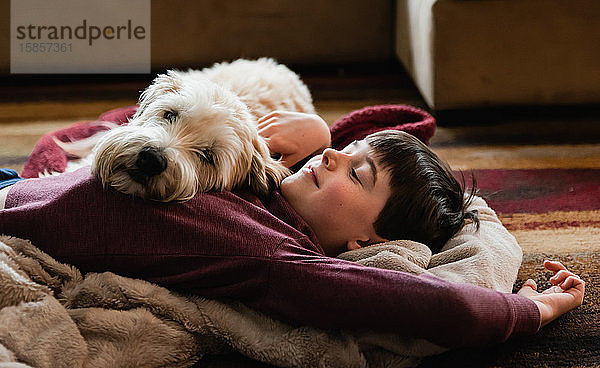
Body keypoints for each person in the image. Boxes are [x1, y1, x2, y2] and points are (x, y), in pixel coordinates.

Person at [0, 111, 584, 350]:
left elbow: (447, 309)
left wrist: (534, 311)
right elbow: (395, 122)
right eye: (342, 151)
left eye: (357, 173)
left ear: (367, 246)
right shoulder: (261, 187)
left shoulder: (276, 257)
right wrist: (316, 131)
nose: (331, 158)